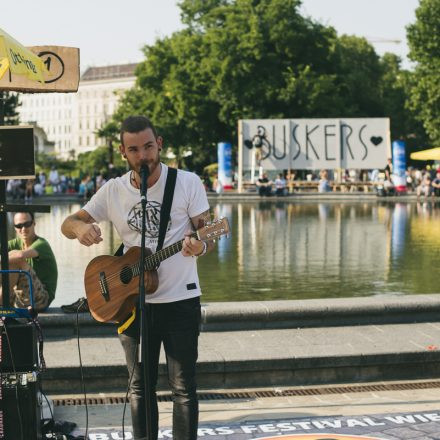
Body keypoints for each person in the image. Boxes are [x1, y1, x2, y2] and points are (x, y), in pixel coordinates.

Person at [61, 115, 214, 440]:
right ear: (123, 152)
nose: (143, 156)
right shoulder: (113, 191)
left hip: (180, 301)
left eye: (148, 146)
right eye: (134, 149)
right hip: (132, 303)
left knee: (184, 387)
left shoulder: (187, 182)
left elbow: (208, 233)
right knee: (139, 388)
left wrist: (198, 246)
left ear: (158, 144)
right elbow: (68, 222)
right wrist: (81, 228)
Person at [0, 212, 58, 311]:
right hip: (19, 296)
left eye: (27, 224)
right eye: (19, 226)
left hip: (41, 300)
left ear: (34, 223)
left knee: (17, 261)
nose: (23, 229)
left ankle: (1, 301)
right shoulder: (13, 244)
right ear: (14, 227)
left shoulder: (42, 244)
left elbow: (21, 255)